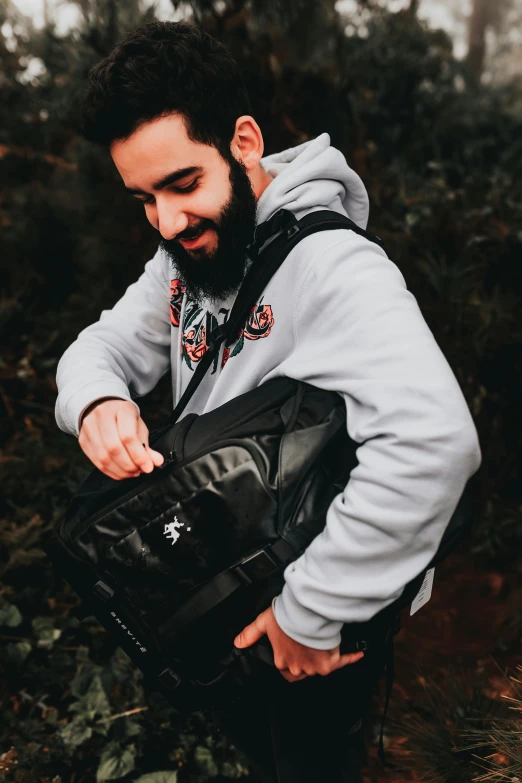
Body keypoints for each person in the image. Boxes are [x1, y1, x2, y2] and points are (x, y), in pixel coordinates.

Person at [54, 20, 482, 782]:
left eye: (184, 184)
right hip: (234, 571)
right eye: (143, 198)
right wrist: (97, 402)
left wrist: (310, 613)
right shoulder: (182, 256)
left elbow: (434, 442)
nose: (166, 222)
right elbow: (101, 348)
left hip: (320, 602)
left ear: (243, 141)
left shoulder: (333, 269)